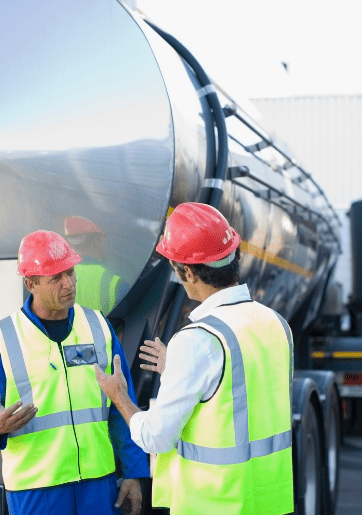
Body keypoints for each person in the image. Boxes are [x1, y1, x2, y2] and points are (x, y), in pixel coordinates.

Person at [95, 202, 295, 515]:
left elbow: (155, 437)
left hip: (216, 505)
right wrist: (178, 368)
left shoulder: (198, 341)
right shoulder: (275, 323)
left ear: (187, 271)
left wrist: (119, 397)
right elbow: (243, 393)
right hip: (269, 502)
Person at [0, 230, 149, 515]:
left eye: (71, 273)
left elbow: (120, 405)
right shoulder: (4, 338)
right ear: (31, 284)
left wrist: (134, 472)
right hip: (36, 490)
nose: (69, 284)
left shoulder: (98, 327)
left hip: (97, 484)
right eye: (56, 278)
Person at [63, 215, 126, 314]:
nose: (104, 246)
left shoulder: (58, 279)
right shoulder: (115, 283)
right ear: (95, 241)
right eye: (101, 240)